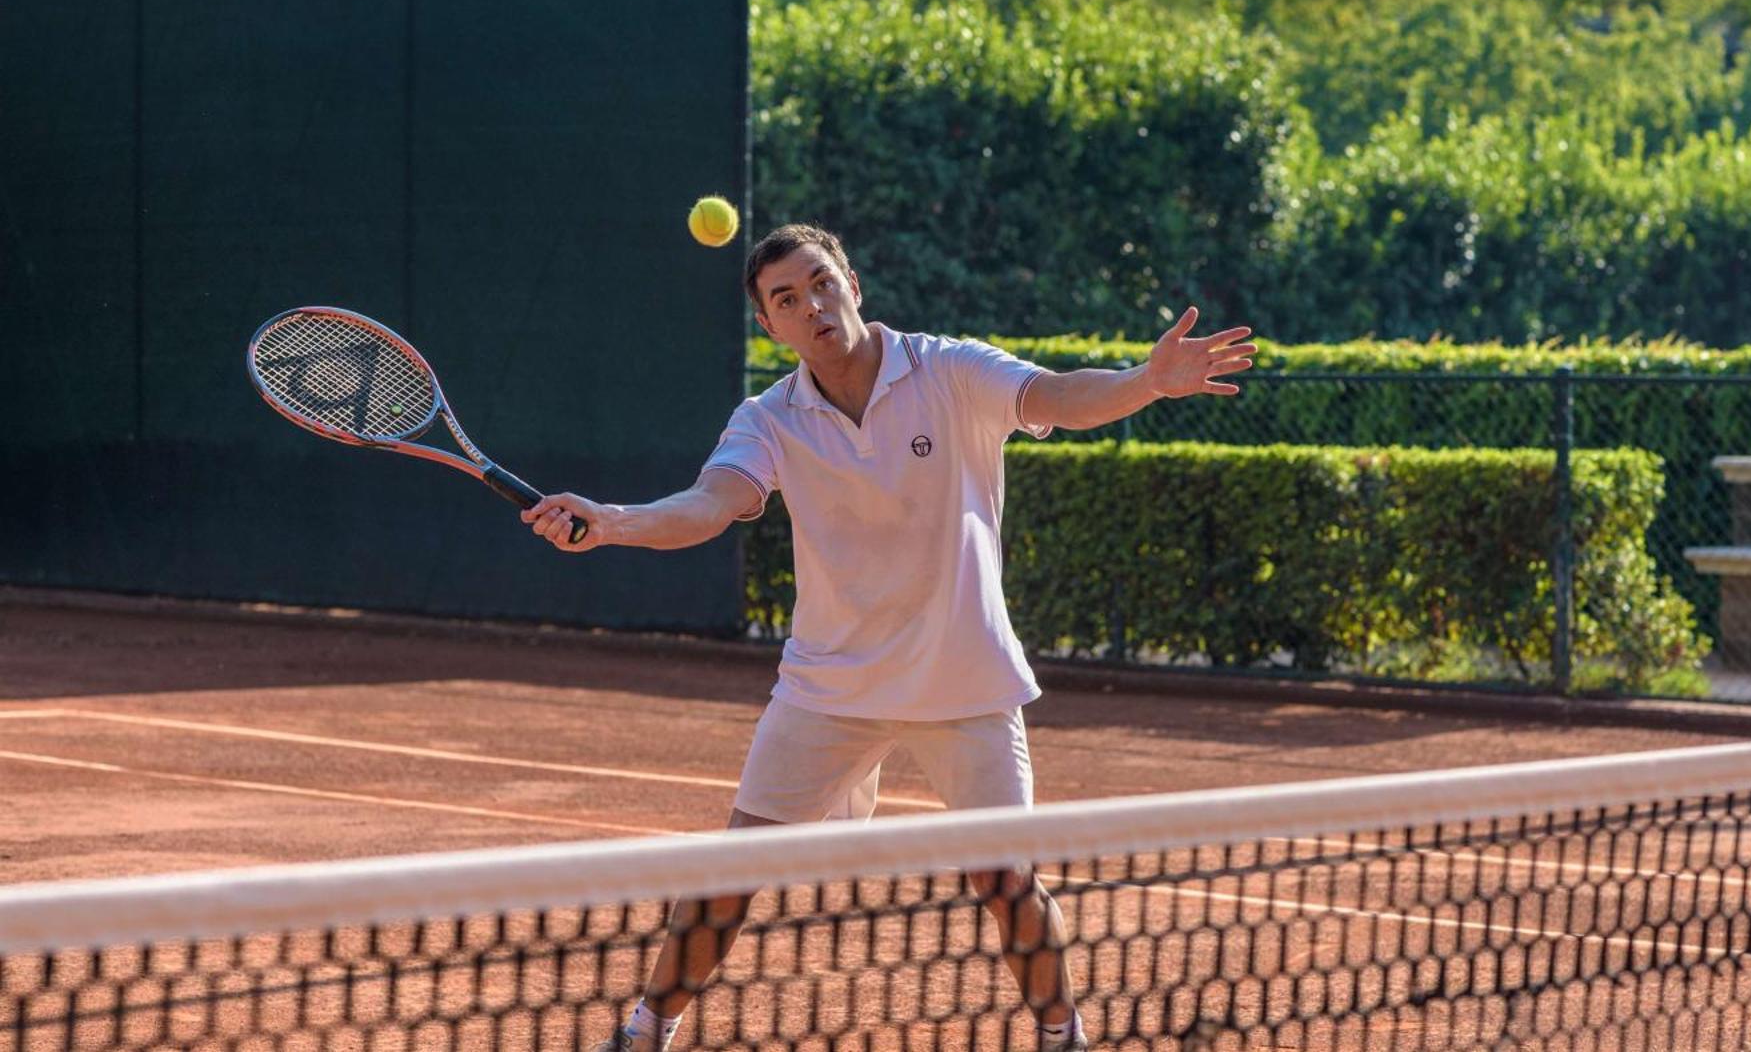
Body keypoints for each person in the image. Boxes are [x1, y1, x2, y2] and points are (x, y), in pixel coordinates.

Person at [522, 222, 1257, 1052]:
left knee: (1007, 880)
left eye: (821, 283)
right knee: (734, 870)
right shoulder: (768, 419)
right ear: (772, 326)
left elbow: (1055, 395)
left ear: (853, 283)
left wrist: (1147, 381)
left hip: (964, 679)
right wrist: (615, 521)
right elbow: (712, 501)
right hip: (828, 688)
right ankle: (647, 1028)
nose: (813, 307)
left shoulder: (948, 369)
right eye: (787, 300)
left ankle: (1064, 1036)